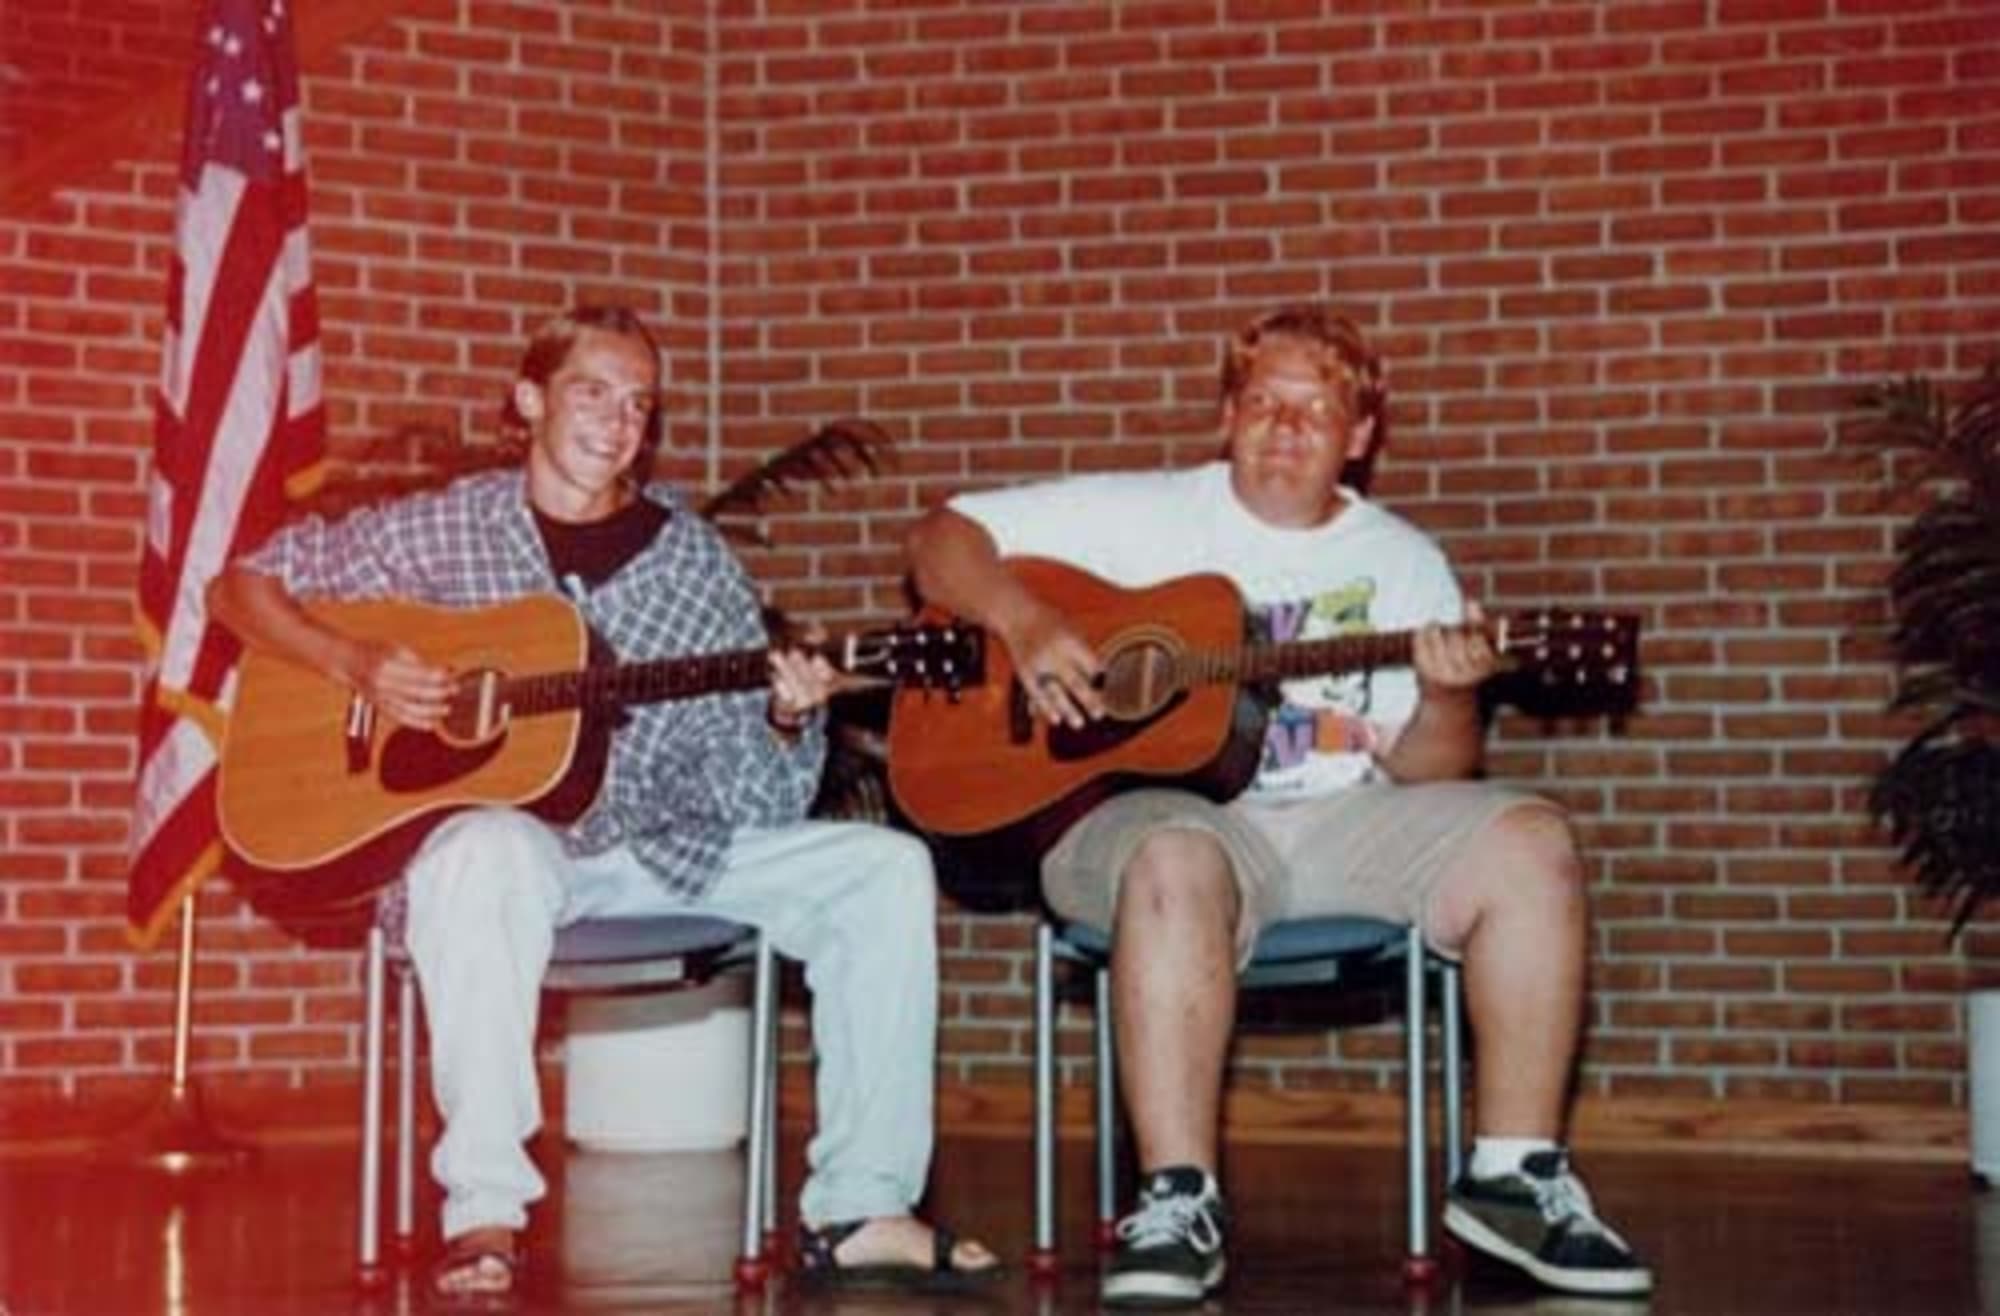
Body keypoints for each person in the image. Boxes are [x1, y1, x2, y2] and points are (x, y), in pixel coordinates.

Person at [210, 304, 998, 1303]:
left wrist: (786, 717)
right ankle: (485, 1209)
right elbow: (240, 589)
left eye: (638, 404)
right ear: (529, 401)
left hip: (653, 850)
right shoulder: (445, 524)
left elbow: (751, 801)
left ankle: (862, 1207)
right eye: (592, 392)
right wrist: (355, 662)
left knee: (884, 867)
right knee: (484, 844)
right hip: (507, 858)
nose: (618, 422)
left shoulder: (693, 564)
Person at [904, 305, 1652, 1307]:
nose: (1285, 428)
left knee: (1531, 838)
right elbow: (941, 535)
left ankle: (1513, 1177)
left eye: (1316, 409)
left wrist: (1446, 694)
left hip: (1339, 823)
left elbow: (1435, 768)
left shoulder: (1401, 561)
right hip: (1148, 819)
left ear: (1360, 435)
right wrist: (1027, 621)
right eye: (1262, 402)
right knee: (1174, 856)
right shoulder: (1139, 513)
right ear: (1227, 416)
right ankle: (1176, 1198)